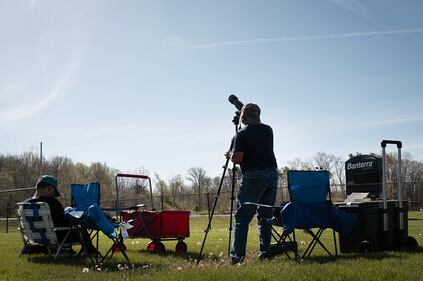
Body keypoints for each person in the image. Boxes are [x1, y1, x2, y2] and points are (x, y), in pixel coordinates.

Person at [227, 103, 278, 264]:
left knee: (242, 217)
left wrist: (229, 153)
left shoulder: (241, 134)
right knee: (265, 216)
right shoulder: (268, 130)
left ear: (243, 117)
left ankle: (237, 257)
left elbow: (238, 158)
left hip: (254, 176)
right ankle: (265, 252)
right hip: (272, 174)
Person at [24, 175, 97, 254]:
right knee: (80, 223)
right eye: (54, 192)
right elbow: (63, 221)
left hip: (34, 238)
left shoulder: (24, 204)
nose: (53, 195)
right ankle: (90, 250)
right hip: (57, 238)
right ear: (49, 188)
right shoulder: (52, 202)